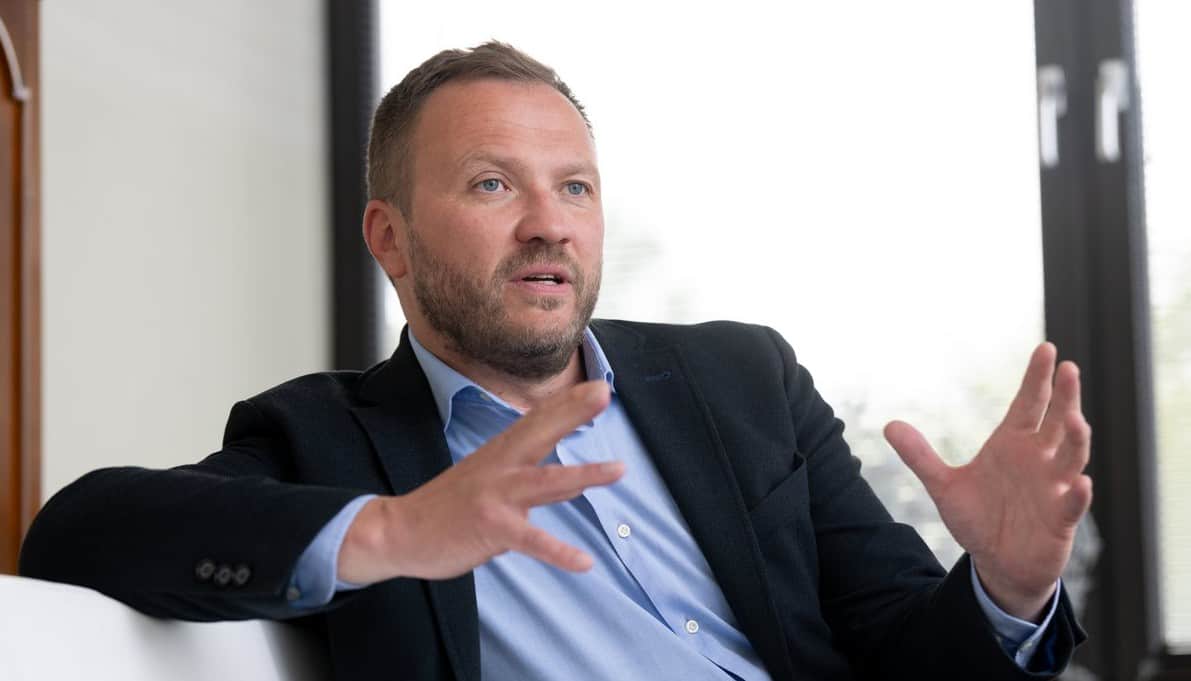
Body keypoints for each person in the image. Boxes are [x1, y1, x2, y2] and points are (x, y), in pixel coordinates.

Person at [20, 42, 1090, 680]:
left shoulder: (743, 381)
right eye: (492, 185)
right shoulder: (328, 439)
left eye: (573, 186)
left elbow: (902, 648)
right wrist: (394, 531)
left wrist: (1006, 586)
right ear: (389, 237)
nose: (549, 223)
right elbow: (78, 531)